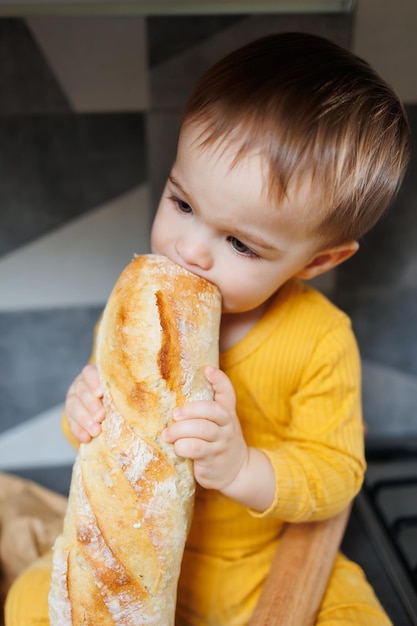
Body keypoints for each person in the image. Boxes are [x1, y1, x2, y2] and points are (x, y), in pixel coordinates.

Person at [5, 32, 410, 626]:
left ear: (318, 262)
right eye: (182, 203)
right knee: (25, 603)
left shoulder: (320, 338)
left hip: (259, 566)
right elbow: (116, 450)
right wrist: (81, 414)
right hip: (144, 560)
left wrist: (242, 467)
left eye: (241, 243)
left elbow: (336, 474)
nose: (190, 250)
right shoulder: (136, 312)